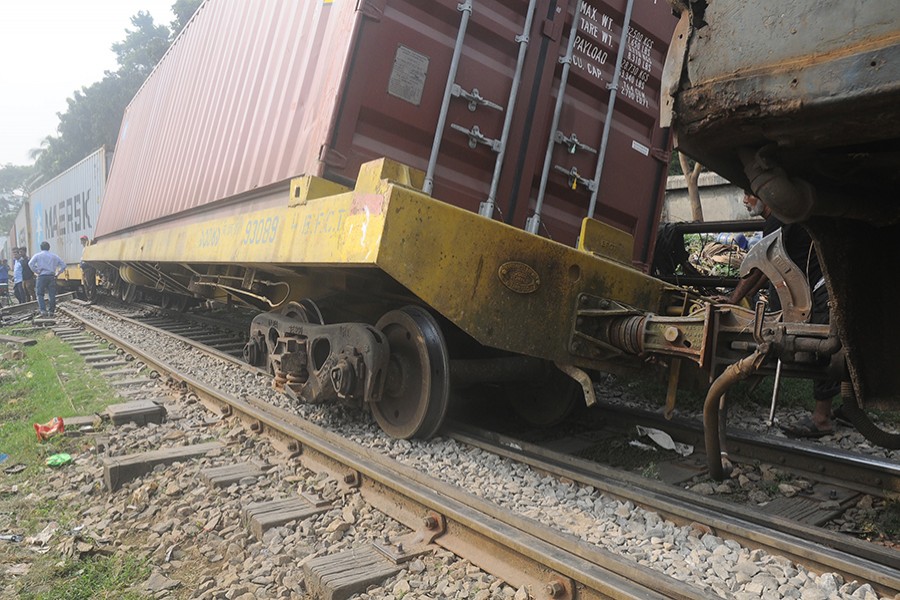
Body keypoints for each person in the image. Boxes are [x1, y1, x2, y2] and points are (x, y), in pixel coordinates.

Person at [724, 194, 839, 437]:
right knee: (833, 347)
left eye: (748, 194)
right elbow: (768, 268)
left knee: (825, 347)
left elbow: (758, 265)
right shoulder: (783, 219)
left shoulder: (777, 220)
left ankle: (821, 418)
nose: (744, 200)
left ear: (764, 197)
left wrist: (732, 301)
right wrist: (745, 296)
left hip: (821, 289)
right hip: (821, 285)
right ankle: (844, 408)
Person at [28, 241, 66, 318]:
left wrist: (37, 271)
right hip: (51, 276)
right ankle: (51, 311)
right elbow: (63, 265)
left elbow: (30, 263)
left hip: (41, 276)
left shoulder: (38, 255)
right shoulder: (54, 256)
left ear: (41, 248)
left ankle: (43, 310)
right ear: (49, 248)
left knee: (40, 294)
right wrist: (58, 273)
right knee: (52, 294)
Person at [79, 235, 97, 301]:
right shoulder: (84, 249)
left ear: (86, 240)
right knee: (86, 284)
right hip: (85, 269)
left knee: (90, 284)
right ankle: (89, 298)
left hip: (89, 268)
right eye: (82, 240)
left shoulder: (89, 248)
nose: (82, 241)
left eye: (83, 240)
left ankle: (92, 299)